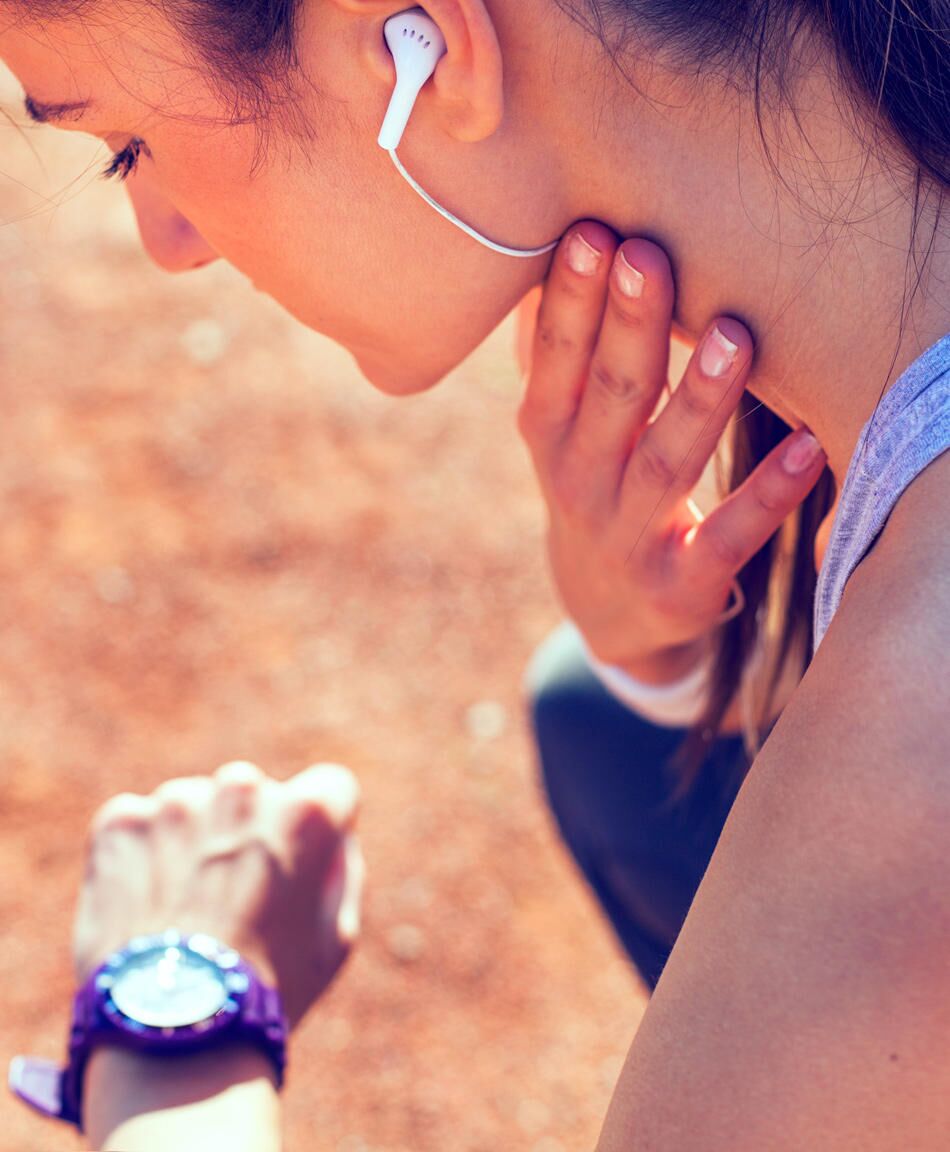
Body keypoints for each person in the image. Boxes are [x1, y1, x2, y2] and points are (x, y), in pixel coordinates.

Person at [2, 0, 948, 1148]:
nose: (168, 239)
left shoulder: (910, 772)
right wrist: (658, 653)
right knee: (604, 722)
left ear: (421, 41)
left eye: (128, 147)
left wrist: (177, 1044)